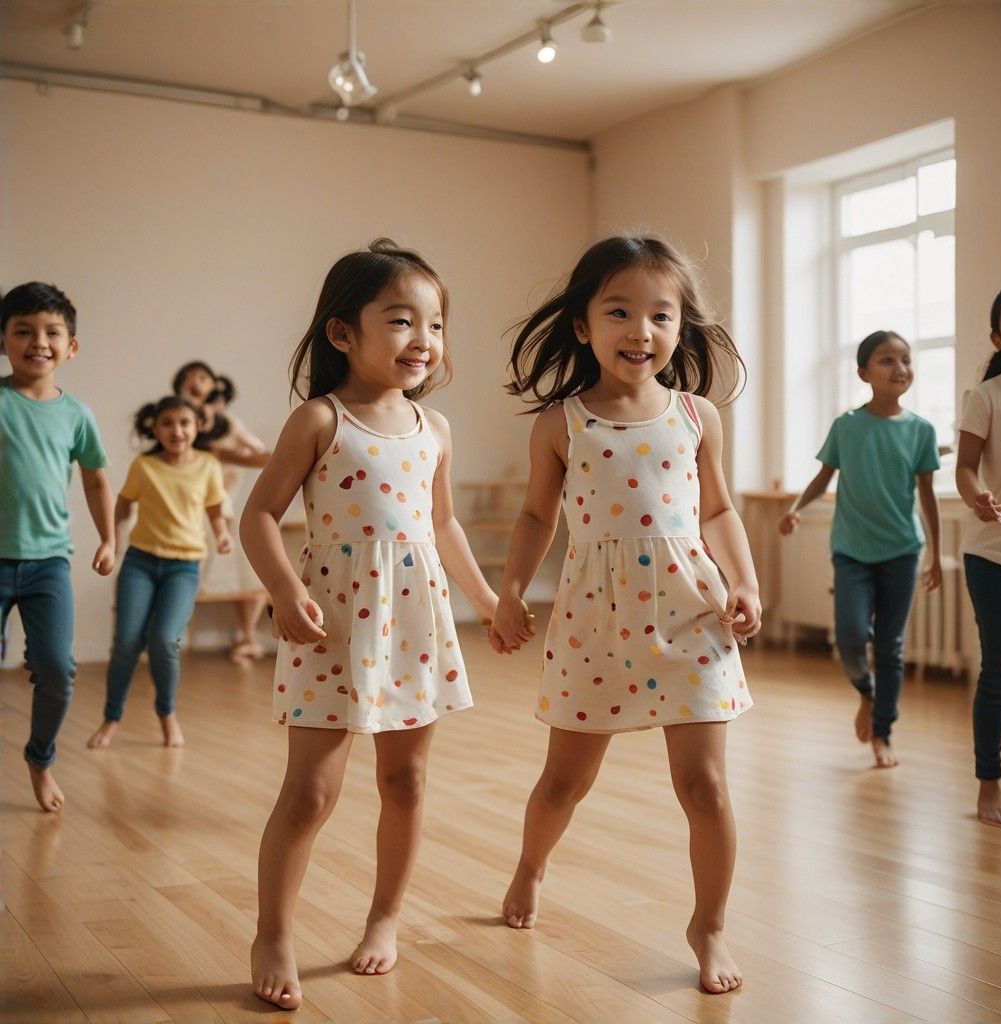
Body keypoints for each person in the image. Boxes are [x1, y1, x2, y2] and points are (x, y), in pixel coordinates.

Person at [240, 238, 524, 1008]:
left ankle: (384, 917)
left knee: (406, 779)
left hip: (413, 624)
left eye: (435, 325)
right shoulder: (320, 419)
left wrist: (490, 600)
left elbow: (443, 527)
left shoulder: (434, 429)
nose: (424, 341)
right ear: (343, 333)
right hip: (333, 623)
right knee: (310, 792)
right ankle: (274, 932)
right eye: (402, 321)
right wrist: (285, 584)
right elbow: (259, 513)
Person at [489, 235, 760, 995]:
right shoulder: (562, 421)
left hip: (691, 614)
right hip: (594, 622)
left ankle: (707, 925)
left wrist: (745, 581)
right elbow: (537, 517)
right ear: (583, 325)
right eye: (619, 311)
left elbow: (720, 509)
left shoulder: (697, 414)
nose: (640, 330)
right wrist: (511, 590)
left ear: (680, 328)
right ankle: (531, 866)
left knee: (704, 786)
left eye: (660, 314)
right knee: (562, 785)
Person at [779, 330, 941, 768]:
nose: (900, 368)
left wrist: (937, 554)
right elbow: (823, 477)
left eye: (905, 359)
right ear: (864, 372)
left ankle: (883, 733)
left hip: (902, 552)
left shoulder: (922, 431)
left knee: (890, 646)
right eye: (887, 360)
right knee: (851, 637)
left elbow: (927, 496)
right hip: (851, 550)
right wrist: (795, 508)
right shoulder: (846, 426)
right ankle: (867, 694)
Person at [0, 282, 115, 812]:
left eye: (51, 332)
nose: (37, 341)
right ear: (3, 341)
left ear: (71, 347)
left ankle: (40, 758)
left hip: (48, 561)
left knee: (57, 671)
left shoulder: (77, 415)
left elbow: (95, 478)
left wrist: (109, 537)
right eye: (23, 330)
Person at [86, 395, 231, 749]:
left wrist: (222, 533)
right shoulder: (144, 466)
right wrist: (113, 541)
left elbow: (214, 507)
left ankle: (166, 714)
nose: (176, 430)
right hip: (140, 562)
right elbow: (122, 504)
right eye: (167, 423)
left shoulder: (209, 465)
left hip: (184, 567)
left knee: (165, 641)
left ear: (198, 426)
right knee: (126, 645)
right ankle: (111, 718)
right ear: (154, 427)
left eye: (184, 422)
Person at [956, 277, 1001, 830]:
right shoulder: (987, 397)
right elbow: (964, 466)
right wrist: (975, 493)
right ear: (998, 336)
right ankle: (988, 783)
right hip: (992, 558)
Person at [173, 364, 271, 661]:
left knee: (248, 575)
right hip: (183, 510)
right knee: (179, 574)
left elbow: (264, 456)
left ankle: (247, 636)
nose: (195, 383)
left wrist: (223, 453)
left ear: (214, 385)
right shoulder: (177, 420)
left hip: (223, 510)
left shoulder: (228, 424)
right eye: (188, 378)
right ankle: (170, 636)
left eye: (202, 377)